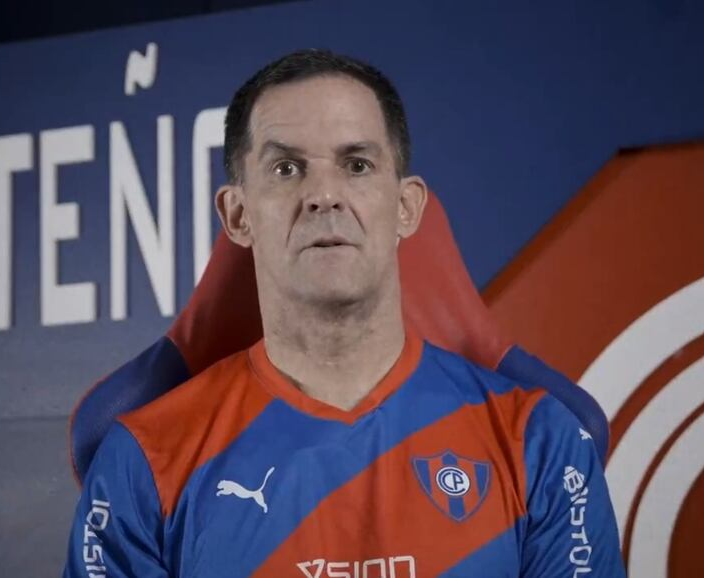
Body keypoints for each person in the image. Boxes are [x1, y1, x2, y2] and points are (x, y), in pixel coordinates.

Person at [63, 49, 626, 577]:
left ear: (406, 207)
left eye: (356, 165)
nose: (324, 195)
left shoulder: (541, 443)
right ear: (237, 215)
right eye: (286, 169)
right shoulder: (143, 461)